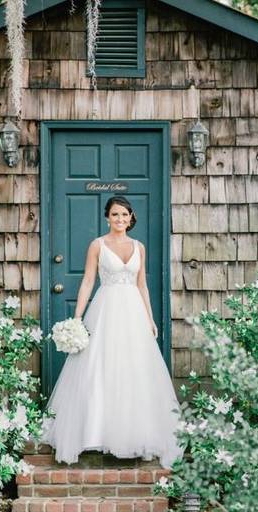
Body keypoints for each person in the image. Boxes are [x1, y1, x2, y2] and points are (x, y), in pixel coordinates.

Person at [41, 196, 183, 468]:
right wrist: (77, 318)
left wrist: (150, 319)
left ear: (131, 218)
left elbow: (142, 285)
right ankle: (93, 433)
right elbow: (87, 282)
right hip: (106, 311)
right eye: (115, 215)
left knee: (134, 370)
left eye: (124, 215)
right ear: (107, 217)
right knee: (100, 367)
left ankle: (138, 436)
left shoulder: (139, 247)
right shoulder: (98, 245)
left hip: (133, 314)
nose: (120, 219)